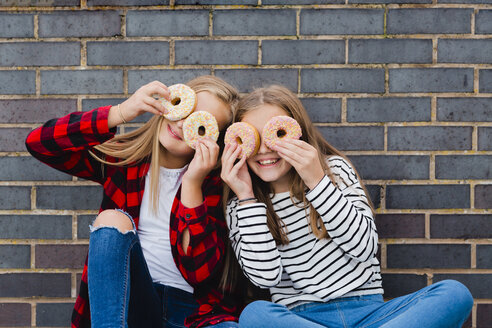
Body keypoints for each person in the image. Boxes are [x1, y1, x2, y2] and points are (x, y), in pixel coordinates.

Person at [220, 85, 474, 328]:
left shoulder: (335, 172)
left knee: (454, 294)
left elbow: (364, 248)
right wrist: (246, 197)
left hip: (371, 313)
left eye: (276, 135)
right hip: (301, 319)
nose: (265, 149)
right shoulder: (242, 206)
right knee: (255, 315)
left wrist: (317, 181)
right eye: (253, 137)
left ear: (299, 134)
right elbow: (265, 277)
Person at [25, 76, 243, 328]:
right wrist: (120, 112)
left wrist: (193, 184)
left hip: (193, 313)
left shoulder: (219, 185)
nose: (183, 125)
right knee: (111, 219)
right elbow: (40, 144)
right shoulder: (123, 163)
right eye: (185, 109)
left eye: (201, 125)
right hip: (128, 304)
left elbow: (200, 272)